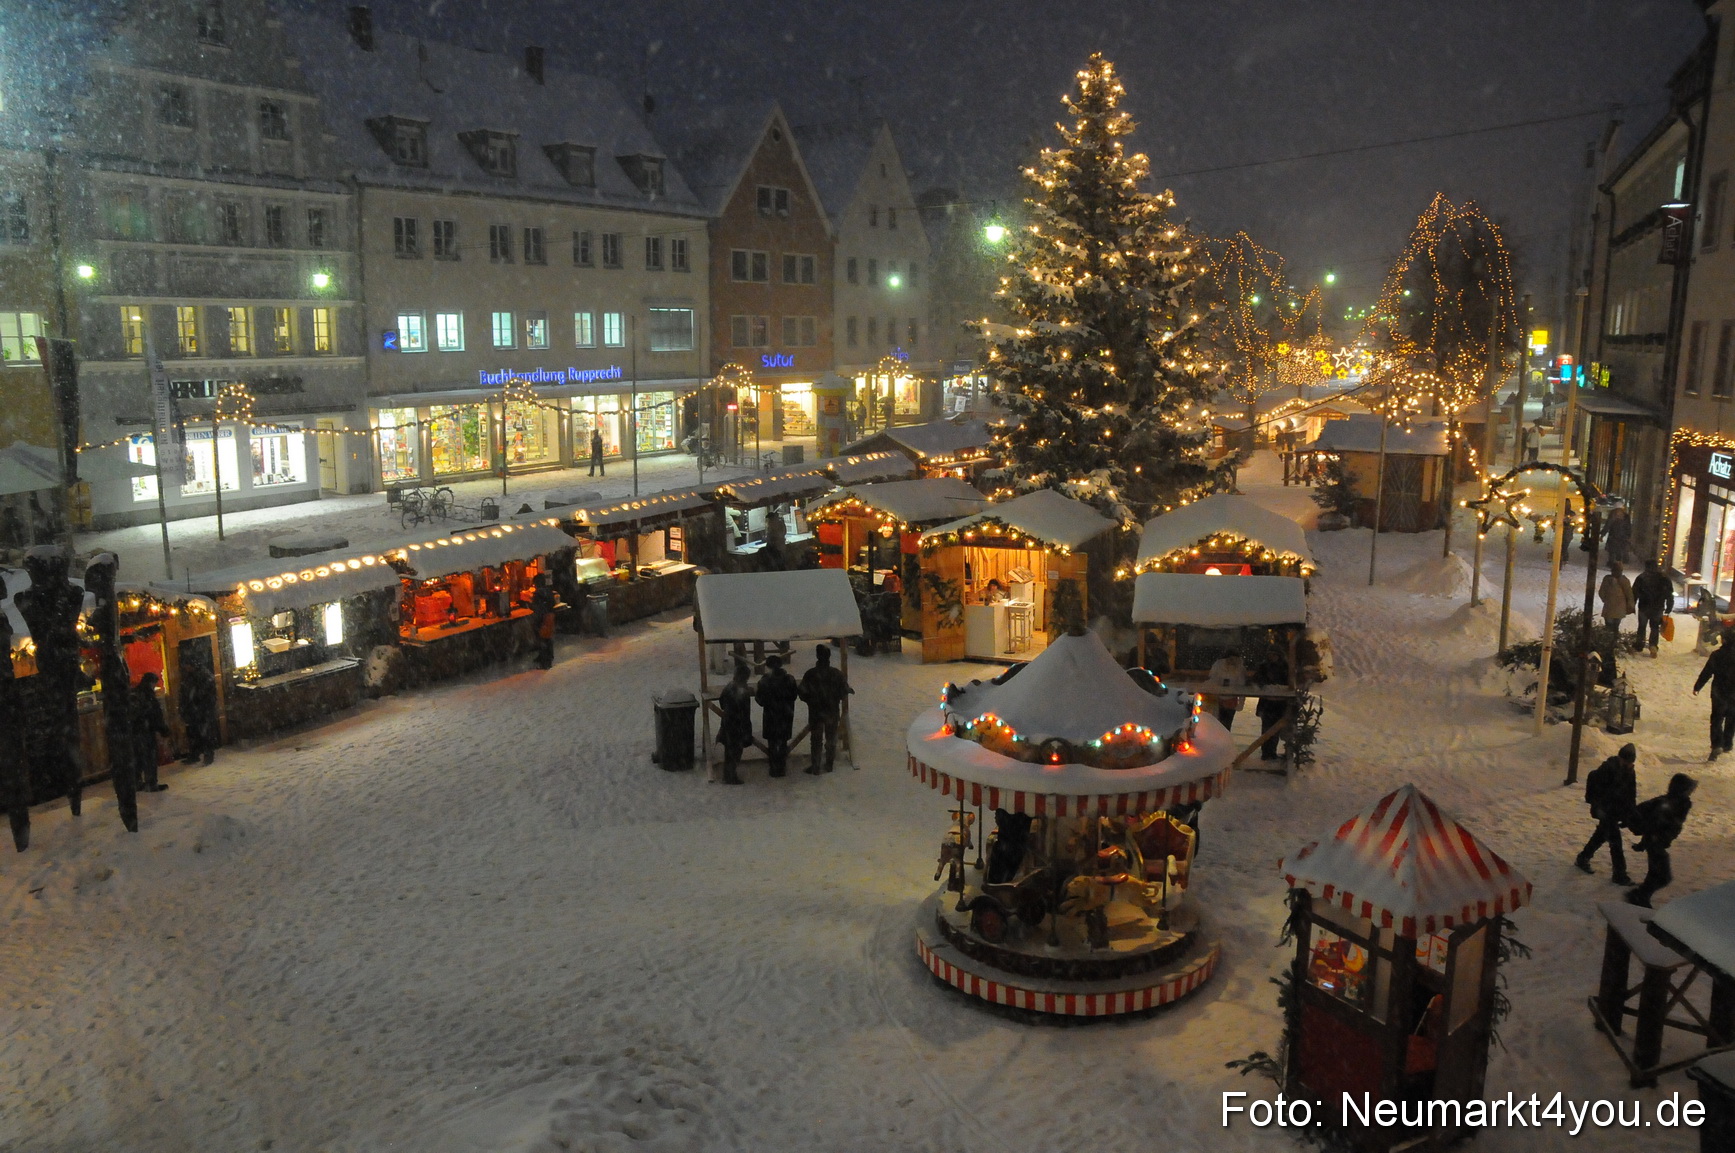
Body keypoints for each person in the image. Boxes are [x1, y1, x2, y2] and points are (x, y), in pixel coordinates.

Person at [1625, 773, 1697, 907]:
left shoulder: (1678, 803)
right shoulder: (1669, 805)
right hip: (1655, 843)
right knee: (1663, 877)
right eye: (1688, 790)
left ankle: (1640, 896)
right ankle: (1639, 896)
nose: (1690, 793)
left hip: (1657, 842)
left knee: (1655, 874)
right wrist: (1647, 841)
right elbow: (1653, 824)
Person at [1574, 743, 1636, 883]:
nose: (1628, 765)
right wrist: (1604, 810)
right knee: (1615, 842)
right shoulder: (1607, 769)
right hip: (1606, 810)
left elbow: (1631, 794)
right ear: (1620, 758)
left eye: (1630, 762)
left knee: (1601, 835)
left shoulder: (1629, 771)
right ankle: (1619, 874)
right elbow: (1600, 793)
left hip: (1613, 811)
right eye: (1625, 761)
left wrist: (1629, 813)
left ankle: (1583, 857)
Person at [798, 644, 850, 773]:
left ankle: (815, 765)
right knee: (831, 739)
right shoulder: (836, 674)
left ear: (817, 656)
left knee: (816, 740)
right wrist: (834, 698)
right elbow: (844, 691)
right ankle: (829, 764)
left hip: (815, 712)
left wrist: (811, 701)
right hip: (832, 711)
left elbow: (802, 693)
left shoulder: (811, 674)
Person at [755, 655, 799, 778]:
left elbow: (760, 700)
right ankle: (782, 766)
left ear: (768, 666)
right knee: (783, 741)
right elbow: (794, 696)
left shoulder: (765, 681)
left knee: (772, 742)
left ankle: (774, 767)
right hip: (786, 715)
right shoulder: (790, 679)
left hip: (771, 716)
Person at [1693, 631, 1735, 759]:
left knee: (1717, 718)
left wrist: (1698, 686)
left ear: (1724, 640)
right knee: (1732, 718)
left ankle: (1717, 744)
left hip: (1719, 692)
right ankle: (1727, 743)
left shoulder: (1717, 655)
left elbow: (1707, 672)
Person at [129, 672, 173, 792]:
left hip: (133, 731)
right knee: (149, 757)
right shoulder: (148, 695)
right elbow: (155, 715)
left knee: (137, 757)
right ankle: (151, 783)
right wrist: (164, 730)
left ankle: (137, 782)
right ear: (151, 683)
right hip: (146, 731)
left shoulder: (134, 693)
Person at [716, 662, 753, 785]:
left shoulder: (729, 687)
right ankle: (730, 776)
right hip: (738, 724)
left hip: (728, 722)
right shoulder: (743, 692)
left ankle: (728, 774)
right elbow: (745, 712)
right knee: (736, 750)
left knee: (729, 750)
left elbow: (722, 703)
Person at [1632, 559, 1675, 658]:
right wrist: (1669, 606)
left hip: (1644, 606)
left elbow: (1635, 592)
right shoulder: (1664, 578)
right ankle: (1653, 646)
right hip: (1658, 607)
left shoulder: (1641, 578)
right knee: (1655, 627)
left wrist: (1632, 604)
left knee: (1642, 627)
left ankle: (1639, 644)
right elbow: (1669, 594)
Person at [1252, 652, 1290, 761]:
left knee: (1276, 730)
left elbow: (1288, 683)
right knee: (1266, 728)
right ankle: (1266, 753)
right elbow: (1257, 680)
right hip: (1267, 703)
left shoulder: (1285, 667)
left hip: (1279, 704)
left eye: (1275, 654)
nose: (1272, 657)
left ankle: (1272, 752)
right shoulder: (1264, 667)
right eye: (1271, 654)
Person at [1206, 653, 1247, 732]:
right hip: (1219, 700)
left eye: (1234, 659)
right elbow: (1212, 681)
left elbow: (1242, 687)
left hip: (1231, 701)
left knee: (1226, 725)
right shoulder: (1218, 667)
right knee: (1217, 724)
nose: (1231, 661)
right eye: (1230, 659)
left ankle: (1224, 737)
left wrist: (1241, 703)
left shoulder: (1239, 669)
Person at [530, 575, 557, 670]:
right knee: (548, 638)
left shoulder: (538, 594)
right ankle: (547, 657)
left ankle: (545, 662)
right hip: (549, 616)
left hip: (541, 618)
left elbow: (536, 607)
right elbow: (553, 603)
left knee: (542, 639)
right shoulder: (548, 591)